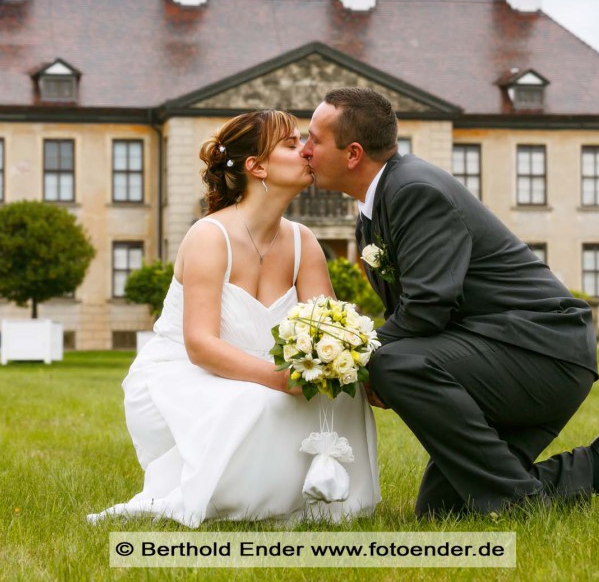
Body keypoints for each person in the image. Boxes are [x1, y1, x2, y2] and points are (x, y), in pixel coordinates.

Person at [301, 87, 599, 518]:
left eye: (313, 140)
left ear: (353, 153)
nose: (304, 151)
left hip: (543, 352)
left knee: (393, 363)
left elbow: (426, 308)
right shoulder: (377, 205)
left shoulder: (414, 190)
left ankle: (519, 505)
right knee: (443, 511)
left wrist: (355, 357)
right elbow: (412, 311)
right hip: (497, 353)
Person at [88, 110, 380, 527]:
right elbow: (200, 345)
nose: (307, 152)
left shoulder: (303, 241)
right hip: (188, 373)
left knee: (341, 397)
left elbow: (329, 326)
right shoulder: (210, 236)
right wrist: (281, 379)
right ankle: (244, 503)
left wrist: (341, 365)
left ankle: (324, 503)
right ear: (256, 166)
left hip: (260, 371)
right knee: (258, 400)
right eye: (292, 144)